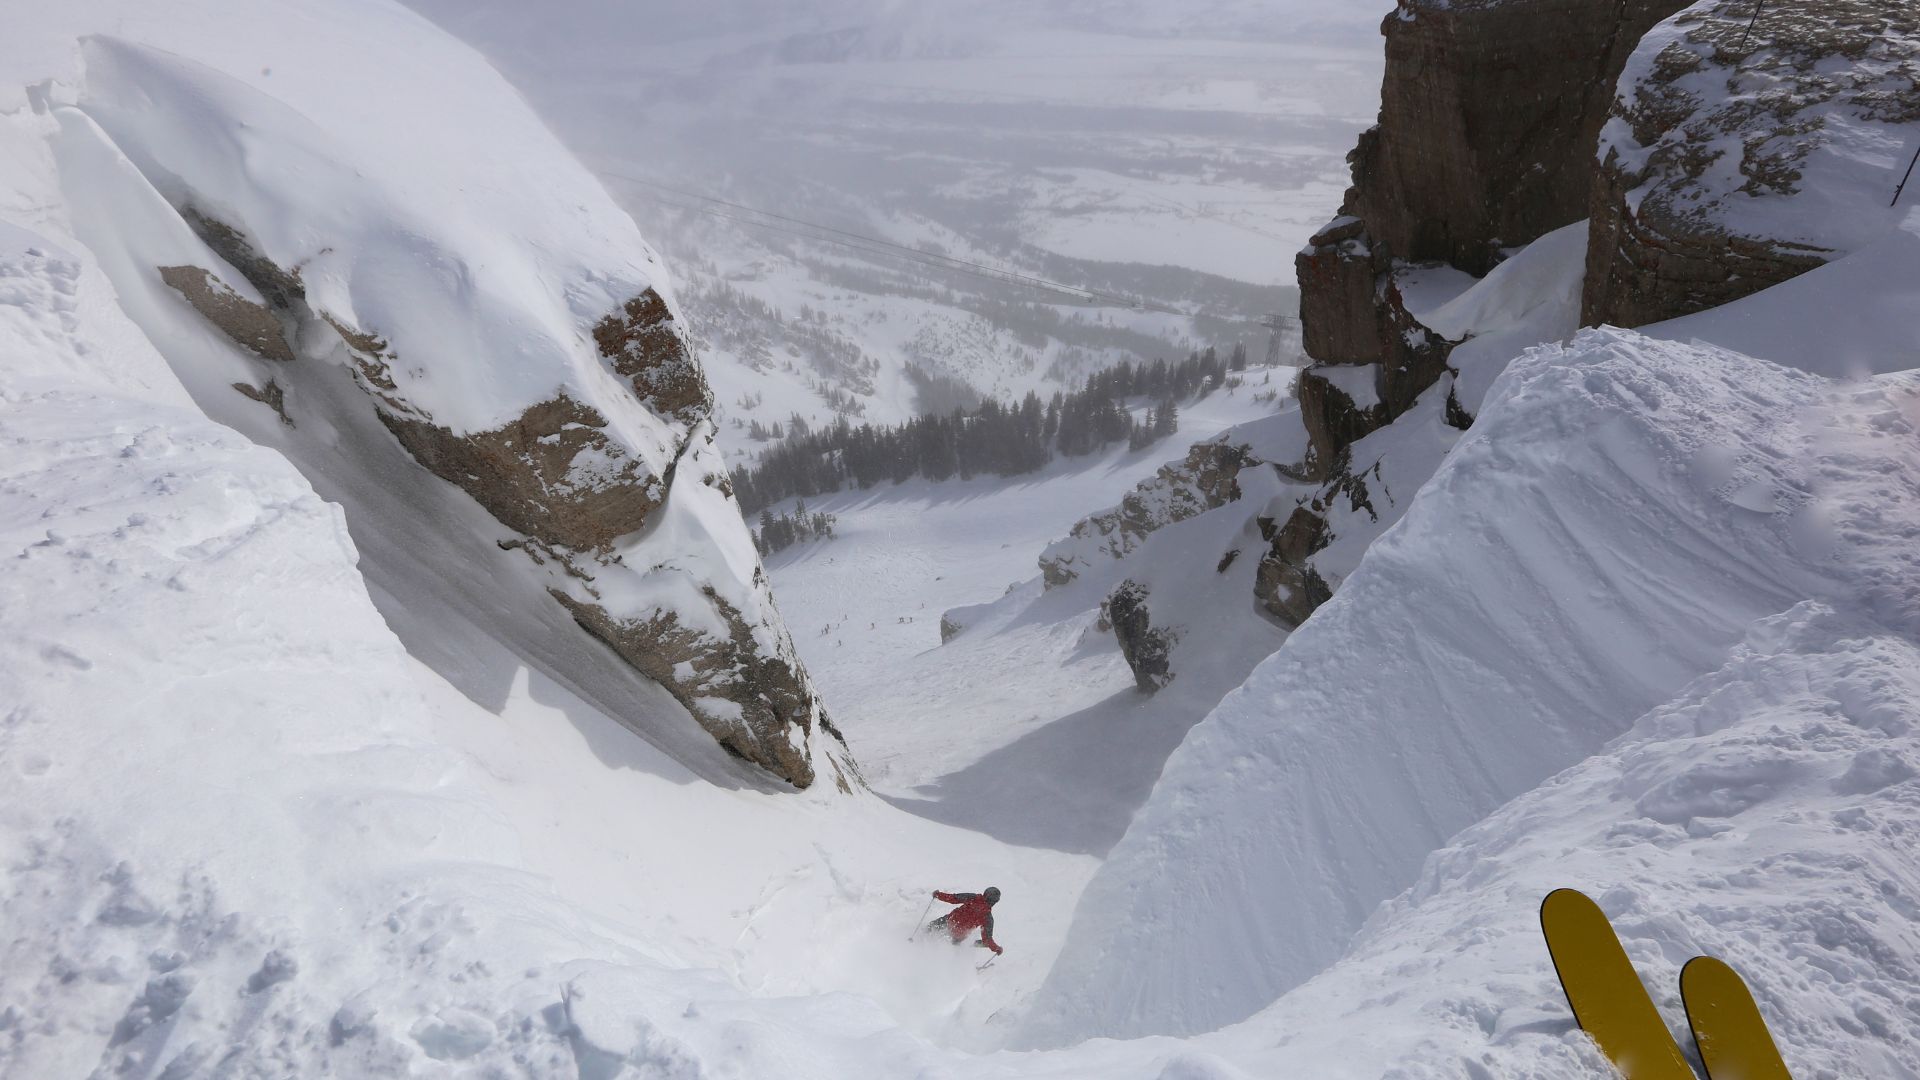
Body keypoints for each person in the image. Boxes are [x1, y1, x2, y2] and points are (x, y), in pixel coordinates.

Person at [927, 886, 1003, 955]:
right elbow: (987, 939)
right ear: (994, 902)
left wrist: (938, 895)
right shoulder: (988, 917)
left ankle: (922, 934)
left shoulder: (973, 898)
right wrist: (996, 948)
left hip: (949, 921)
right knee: (979, 942)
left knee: (931, 927)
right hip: (959, 935)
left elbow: (953, 898)